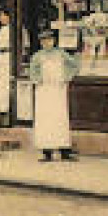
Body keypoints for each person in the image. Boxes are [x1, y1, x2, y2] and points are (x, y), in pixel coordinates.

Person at [28, 27, 78, 161]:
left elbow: (74, 65)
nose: (47, 43)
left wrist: (66, 77)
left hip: (58, 89)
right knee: (45, 119)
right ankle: (47, 151)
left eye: (49, 40)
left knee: (60, 118)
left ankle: (64, 151)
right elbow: (32, 71)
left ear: (54, 41)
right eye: (44, 41)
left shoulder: (61, 54)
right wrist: (38, 80)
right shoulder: (37, 56)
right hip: (44, 90)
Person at [0, 7, 16, 128]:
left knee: (7, 88)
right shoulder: (2, 29)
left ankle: (8, 119)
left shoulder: (16, 29)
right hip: (2, 59)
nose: (0, 18)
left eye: (2, 15)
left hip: (10, 59)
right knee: (0, 88)